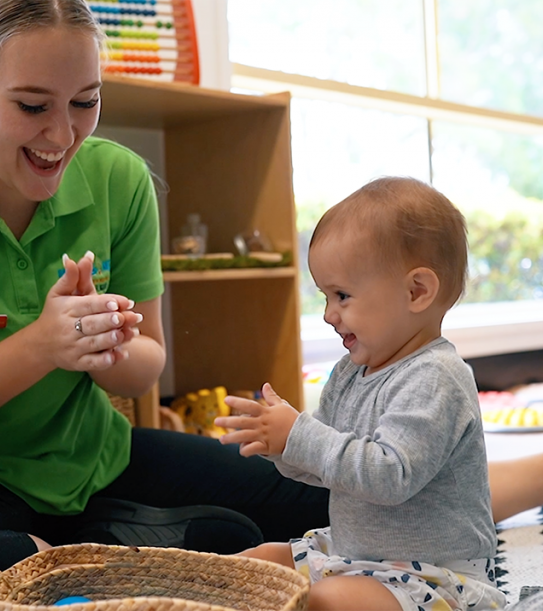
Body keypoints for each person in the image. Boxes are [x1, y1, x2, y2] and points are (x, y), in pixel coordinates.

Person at [0, 1, 543, 609]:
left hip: (94, 460)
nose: (62, 136)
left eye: (86, 103)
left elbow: (148, 366)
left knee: (349, 501)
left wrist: (103, 344)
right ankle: (131, 557)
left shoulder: (115, 179)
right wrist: (39, 346)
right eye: (32, 106)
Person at [215, 177, 507, 610]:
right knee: (251, 566)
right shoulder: (349, 373)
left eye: (342, 295)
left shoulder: (437, 377)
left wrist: (300, 436)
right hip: (355, 556)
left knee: (324, 601)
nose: (328, 314)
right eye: (325, 296)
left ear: (416, 291)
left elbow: (389, 476)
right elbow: (330, 466)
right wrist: (281, 446)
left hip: (433, 576)